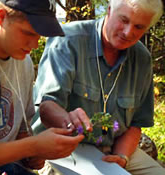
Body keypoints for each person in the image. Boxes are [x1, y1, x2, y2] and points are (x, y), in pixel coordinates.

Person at [33, 0, 165, 174]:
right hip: (64, 144)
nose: (128, 32)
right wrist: (68, 121)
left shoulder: (142, 58)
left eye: (139, 27)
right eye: (124, 20)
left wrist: (122, 156)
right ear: (109, 11)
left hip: (113, 147)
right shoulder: (68, 39)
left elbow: (136, 124)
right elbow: (46, 106)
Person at [0, 0, 85, 174]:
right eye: (28, 33)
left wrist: (36, 154)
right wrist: (32, 146)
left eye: (39, 35)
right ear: (1, 17)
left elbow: (21, 131)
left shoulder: (23, 62)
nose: (34, 45)